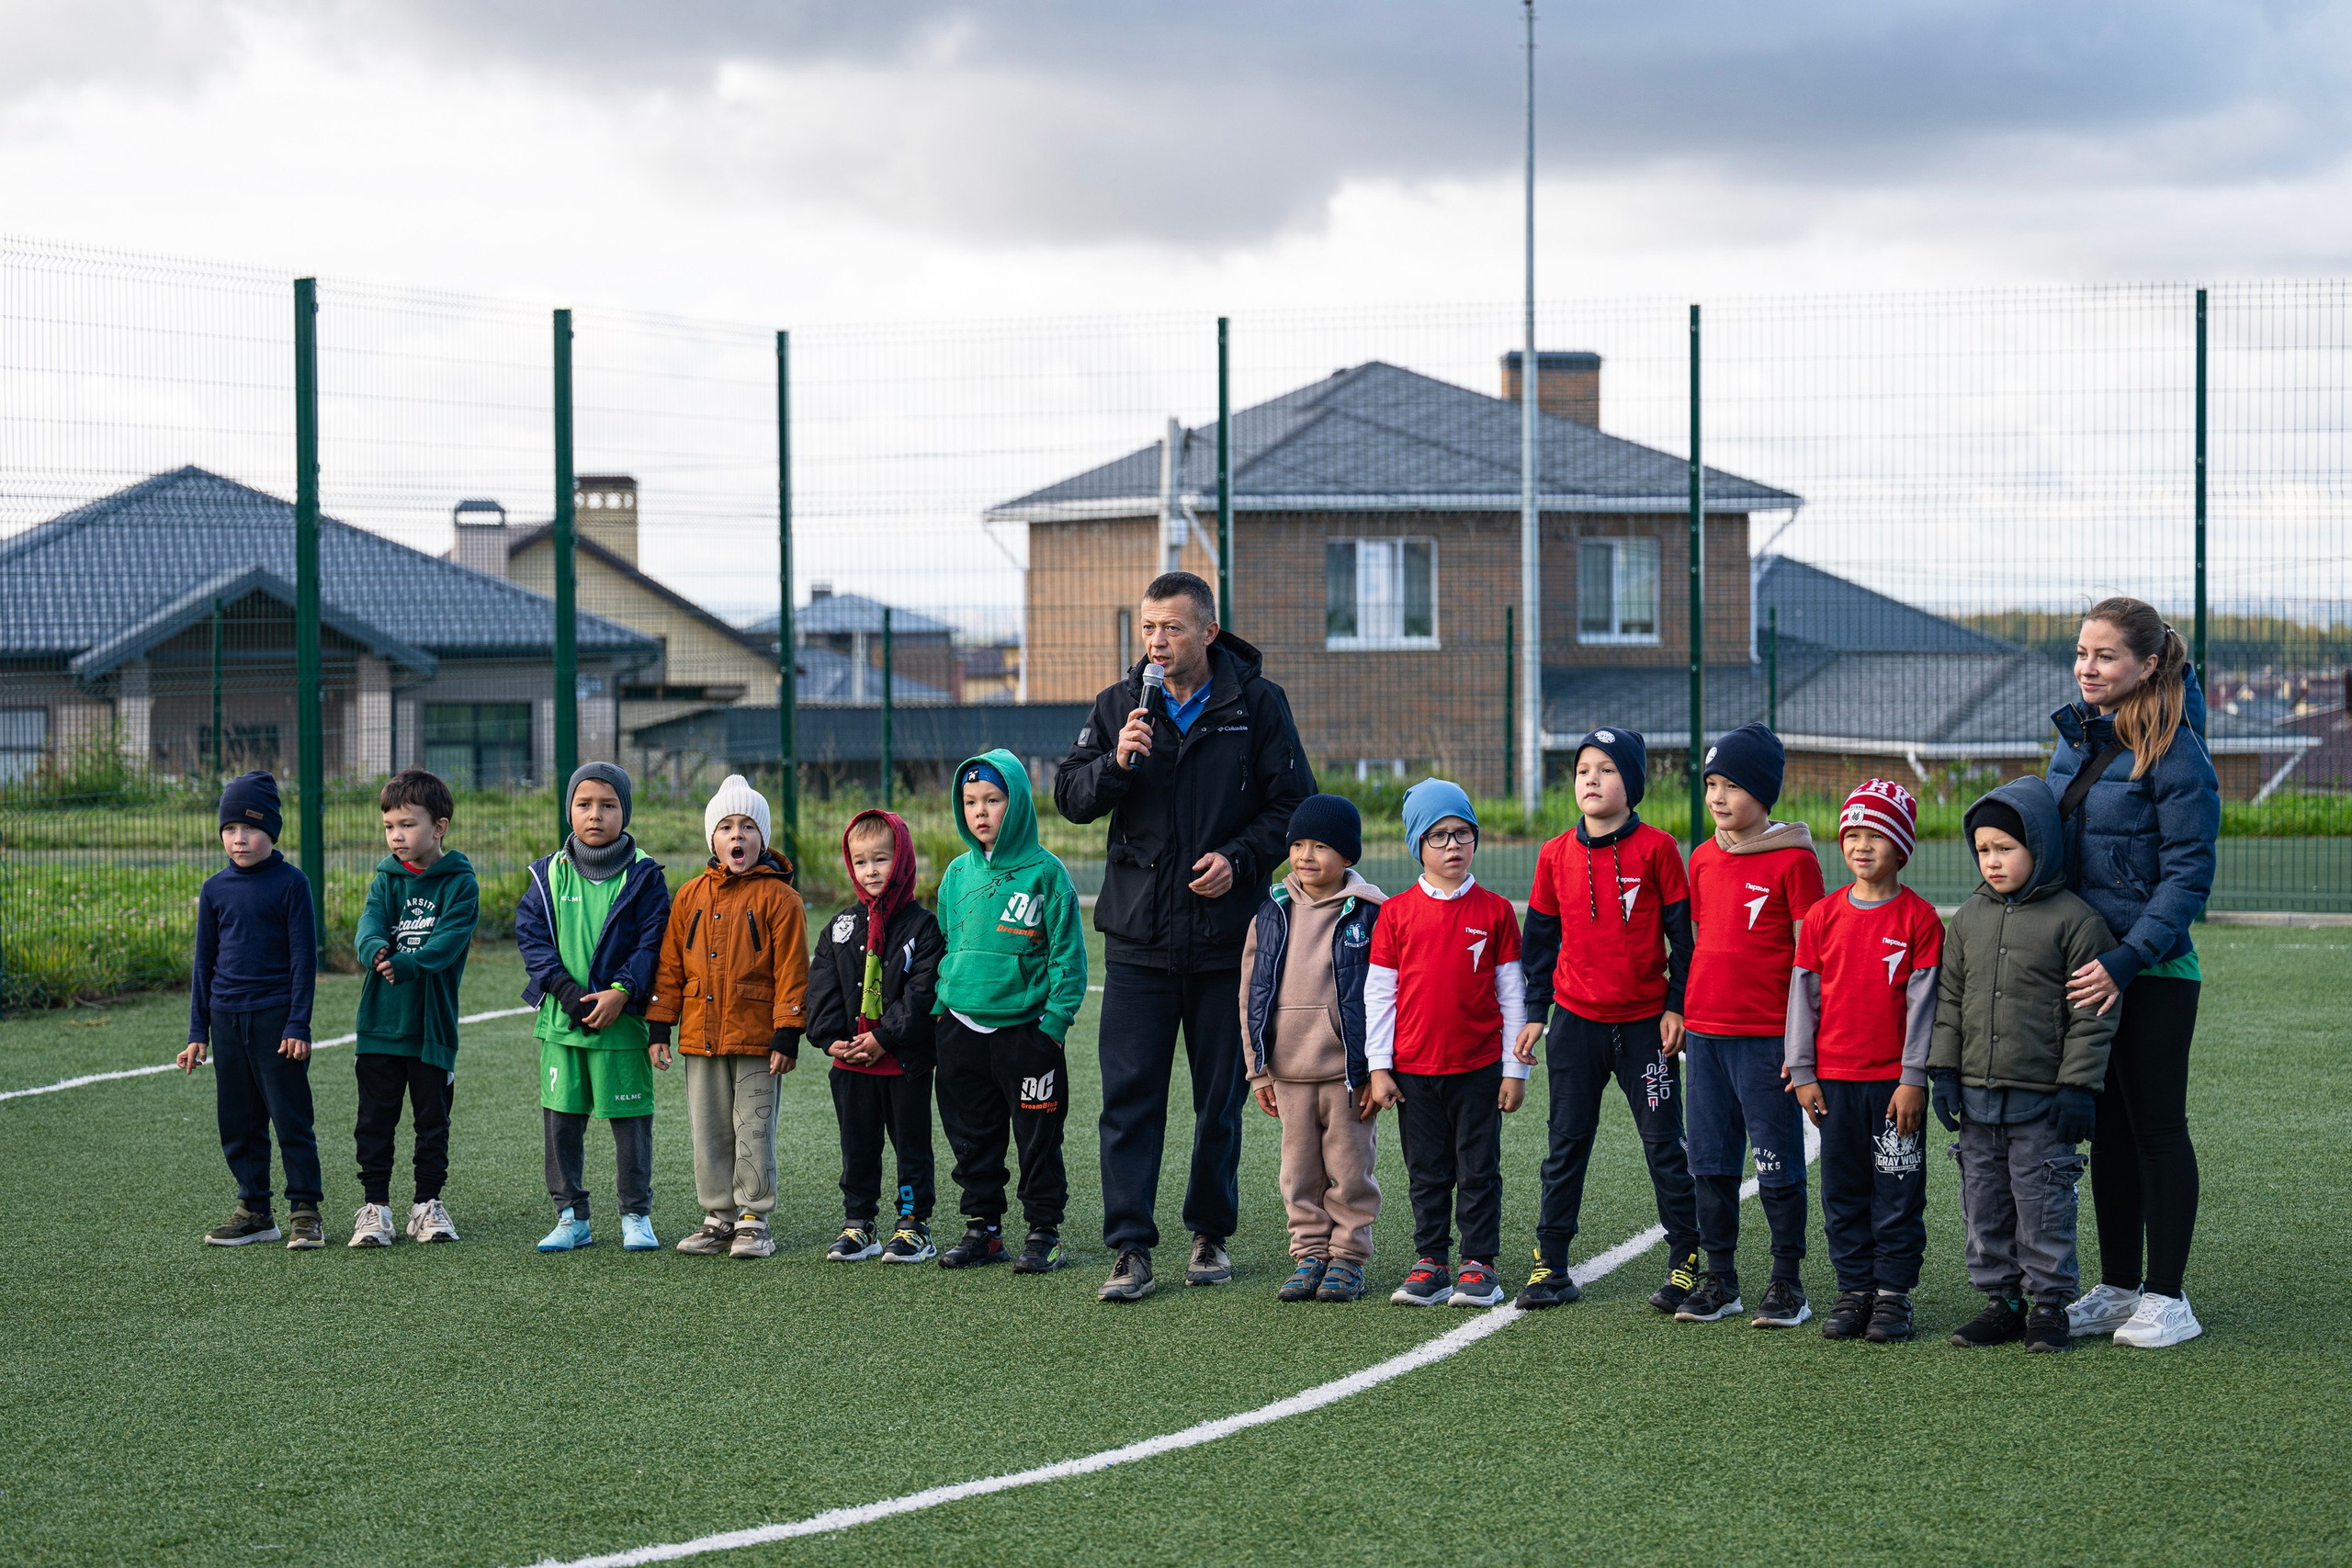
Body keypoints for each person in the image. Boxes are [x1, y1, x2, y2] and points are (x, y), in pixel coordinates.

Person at [1054, 570, 1313, 1303]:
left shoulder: (1256, 704)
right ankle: (1130, 1247)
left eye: (1170, 627)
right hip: (1137, 939)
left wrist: (1238, 860)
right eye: (1146, 629)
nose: (1156, 642)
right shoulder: (1118, 705)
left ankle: (1210, 1231)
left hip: (1225, 942)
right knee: (1128, 1098)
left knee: (1218, 1099)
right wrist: (1115, 763)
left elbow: (1294, 806)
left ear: (1207, 630)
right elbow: (1070, 795)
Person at [2050, 597, 2220, 1350]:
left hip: (2152, 970)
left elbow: (2187, 875)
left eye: (2106, 655)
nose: (2089, 667)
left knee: (2154, 1127)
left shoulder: (2178, 749)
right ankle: (2119, 1285)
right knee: (2109, 1131)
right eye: (2083, 652)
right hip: (2087, 967)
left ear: (2147, 664)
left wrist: (2126, 958)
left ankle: (2168, 1297)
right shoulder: (2074, 737)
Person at [1513, 728, 1702, 1313]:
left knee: (1664, 1143)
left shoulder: (1659, 850)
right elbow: (1539, 943)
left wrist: (1676, 1005)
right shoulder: (1553, 855)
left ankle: (1687, 1259)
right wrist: (1537, 1013)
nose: (1592, 779)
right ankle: (1551, 1263)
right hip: (1576, 1024)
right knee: (1566, 1142)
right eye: (1583, 770)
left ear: (1632, 784)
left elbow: (1683, 940)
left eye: (1608, 770)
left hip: (1647, 1029)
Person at [1932, 778, 2119, 1353]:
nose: (1992, 861)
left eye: (2005, 848)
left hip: (2043, 1101)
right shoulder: (1967, 919)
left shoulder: (2077, 921)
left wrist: (2079, 1087)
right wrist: (1943, 1072)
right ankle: (2002, 1303)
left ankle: (2048, 1307)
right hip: (1978, 1099)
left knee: (2043, 1203)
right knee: (1983, 1202)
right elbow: (1950, 1002)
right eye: (1984, 849)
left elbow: (2092, 1015)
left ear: (2040, 847)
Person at [1785, 779, 1943, 1344]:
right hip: (1835, 1085)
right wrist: (1802, 1072)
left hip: (1893, 1091)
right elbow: (1802, 998)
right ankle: (1854, 1291)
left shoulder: (1920, 921)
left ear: (1900, 845)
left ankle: (1893, 1296)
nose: (1861, 845)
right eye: (1852, 833)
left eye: (1875, 834)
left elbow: (1926, 1010)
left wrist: (1913, 1078)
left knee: (1898, 1191)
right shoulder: (1823, 916)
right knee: (1844, 1192)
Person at [1678, 724, 1824, 1326]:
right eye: (1711, 782)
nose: (1717, 795)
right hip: (1706, 1038)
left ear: (1763, 793)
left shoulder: (1795, 860)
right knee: (1710, 1161)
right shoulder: (1704, 858)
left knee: (1777, 1163)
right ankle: (1719, 1278)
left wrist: (1804, 1042)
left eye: (1732, 784)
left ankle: (1787, 1281)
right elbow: (1696, 941)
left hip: (1767, 1041)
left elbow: (1811, 958)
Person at [1367, 780, 1526, 1310]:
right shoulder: (1394, 914)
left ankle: (1479, 1262)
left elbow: (1511, 995)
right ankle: (1431, 1260)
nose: (1452, 846)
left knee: (1478, 1168)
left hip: (1479, 1069)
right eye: (1438, 837)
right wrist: (1378, 1067)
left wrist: (1514, 1070)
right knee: (1427, 1171)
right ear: (1418, 846)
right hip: (1413, 1072)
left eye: (1462, 833)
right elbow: (1380, 997)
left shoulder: (1497, 911)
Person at [933, 750, 1089, 1276]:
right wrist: (941, 1011)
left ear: (1016, 803)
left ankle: (1044, 1232)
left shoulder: (1045, 873)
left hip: (1026, 1034)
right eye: (970, 802)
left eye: (993, 801)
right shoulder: (956, 874)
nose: (980, 812)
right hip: (961, 1030)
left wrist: (1053, 1026)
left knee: (1037, 1138)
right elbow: (948, 944)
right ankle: (983, 1230)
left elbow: (1068, 957)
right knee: (973, 1135)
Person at [647, 774, 808, 1260]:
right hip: (700, 1035)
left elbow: (793, 971)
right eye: (725, 827)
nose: (736, 836)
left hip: (759, 1039)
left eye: (747, 827)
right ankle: (718, 1218)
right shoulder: (690, 896)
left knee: (753, 1127)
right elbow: (671, 965)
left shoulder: (782, 899)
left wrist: (787, 1032)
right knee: (710, 1129)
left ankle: (754, 1218)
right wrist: (661, 1025)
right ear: (712, 840)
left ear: (763, 838)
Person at [516, 761, 672, 1253]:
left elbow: (653, 942)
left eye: (608, 805)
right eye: (584, 804)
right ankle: (571, 1216)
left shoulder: (645, 874)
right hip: (563, 1022)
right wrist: (564, 992)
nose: (595, 814)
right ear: (569, 810)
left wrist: (624, 990)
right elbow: (533, 938)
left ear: (624, 811)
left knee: (630, 1123)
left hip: (622, 1023)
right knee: (562, 1121)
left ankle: (636, 1215)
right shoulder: (548, 874)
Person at [1238, 794, 1387, 1304]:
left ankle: (1347, 1257)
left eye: (1320, 845)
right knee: (1298, 1173)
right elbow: (1251, 994)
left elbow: (1389, 994)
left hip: (1350, 1075)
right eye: (1297, 844)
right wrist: (1259, 1070)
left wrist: (1379, 1068)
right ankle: (1309, 1254)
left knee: (1349, 1171)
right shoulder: (1273, 911)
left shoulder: (1370, 914)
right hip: (1288, 1072)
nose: (1305, 855)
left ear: (1348, 855)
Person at [177, 771, 322, 1248]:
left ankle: (305, 1211)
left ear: (273, 831)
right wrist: (199, 1032)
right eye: (230, 829)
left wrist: (298, 1023)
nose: (240, 838)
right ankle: (255, 1210)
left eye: (251, 827)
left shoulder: (292, 883)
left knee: (290, 1117)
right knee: (237, 1121)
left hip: (277, 1021)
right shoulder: (214, 889)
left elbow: (304, 960)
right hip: (225, 1018)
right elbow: (205, 963)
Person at [806, 807, 944, 1264]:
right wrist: (830, 1039)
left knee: (910, 1146)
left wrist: (886, 1035)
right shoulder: (841, 926)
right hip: (851, 1064)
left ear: (901, 860)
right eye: (861, 861)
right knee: (858, 1147)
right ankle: (859, 1222)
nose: (871, 871)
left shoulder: (923, 926)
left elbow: (924, 993)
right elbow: (821, 987)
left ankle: (912, 1225)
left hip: (901, 1062)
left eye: (881, 859)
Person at [348, 769, 479, 1247]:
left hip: (432, 1027)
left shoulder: (460, 882)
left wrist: (408, 963)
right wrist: (373, 950)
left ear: (439, 826)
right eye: (389, 826)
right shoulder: (386, 877)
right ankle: (375, 1207)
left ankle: (427, 1205)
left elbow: (447, 943)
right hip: (380, 1023)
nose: (396, 836)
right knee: (374, 1119)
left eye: (407, 824)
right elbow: (370, 922)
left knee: (432, 1120)